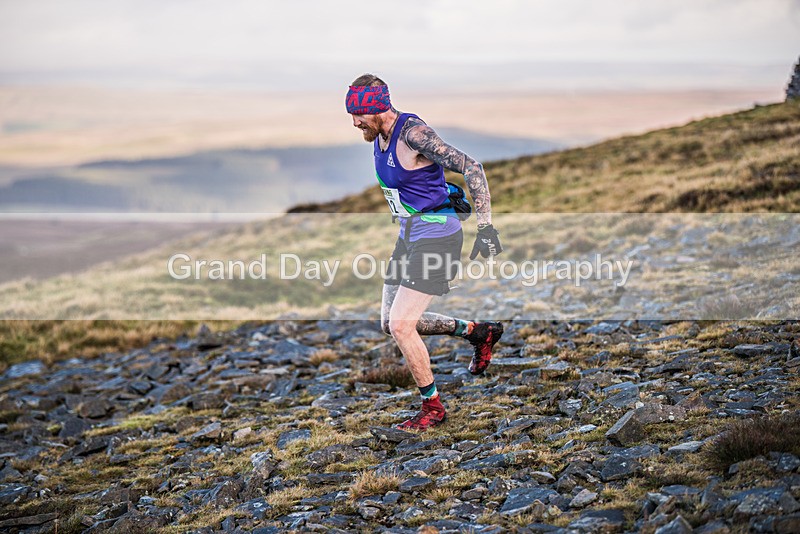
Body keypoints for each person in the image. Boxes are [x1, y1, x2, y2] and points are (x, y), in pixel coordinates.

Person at [345, 74, 504, 431]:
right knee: (390, 323)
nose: (354, 122)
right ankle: (478, 332)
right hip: (409, 237)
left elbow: (472, 166)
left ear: (375, 108)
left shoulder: (413, 134)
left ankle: (432, 407)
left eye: (358, 114)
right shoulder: (379, 135)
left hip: (438, 238)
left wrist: (486, 227)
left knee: (402, 326)